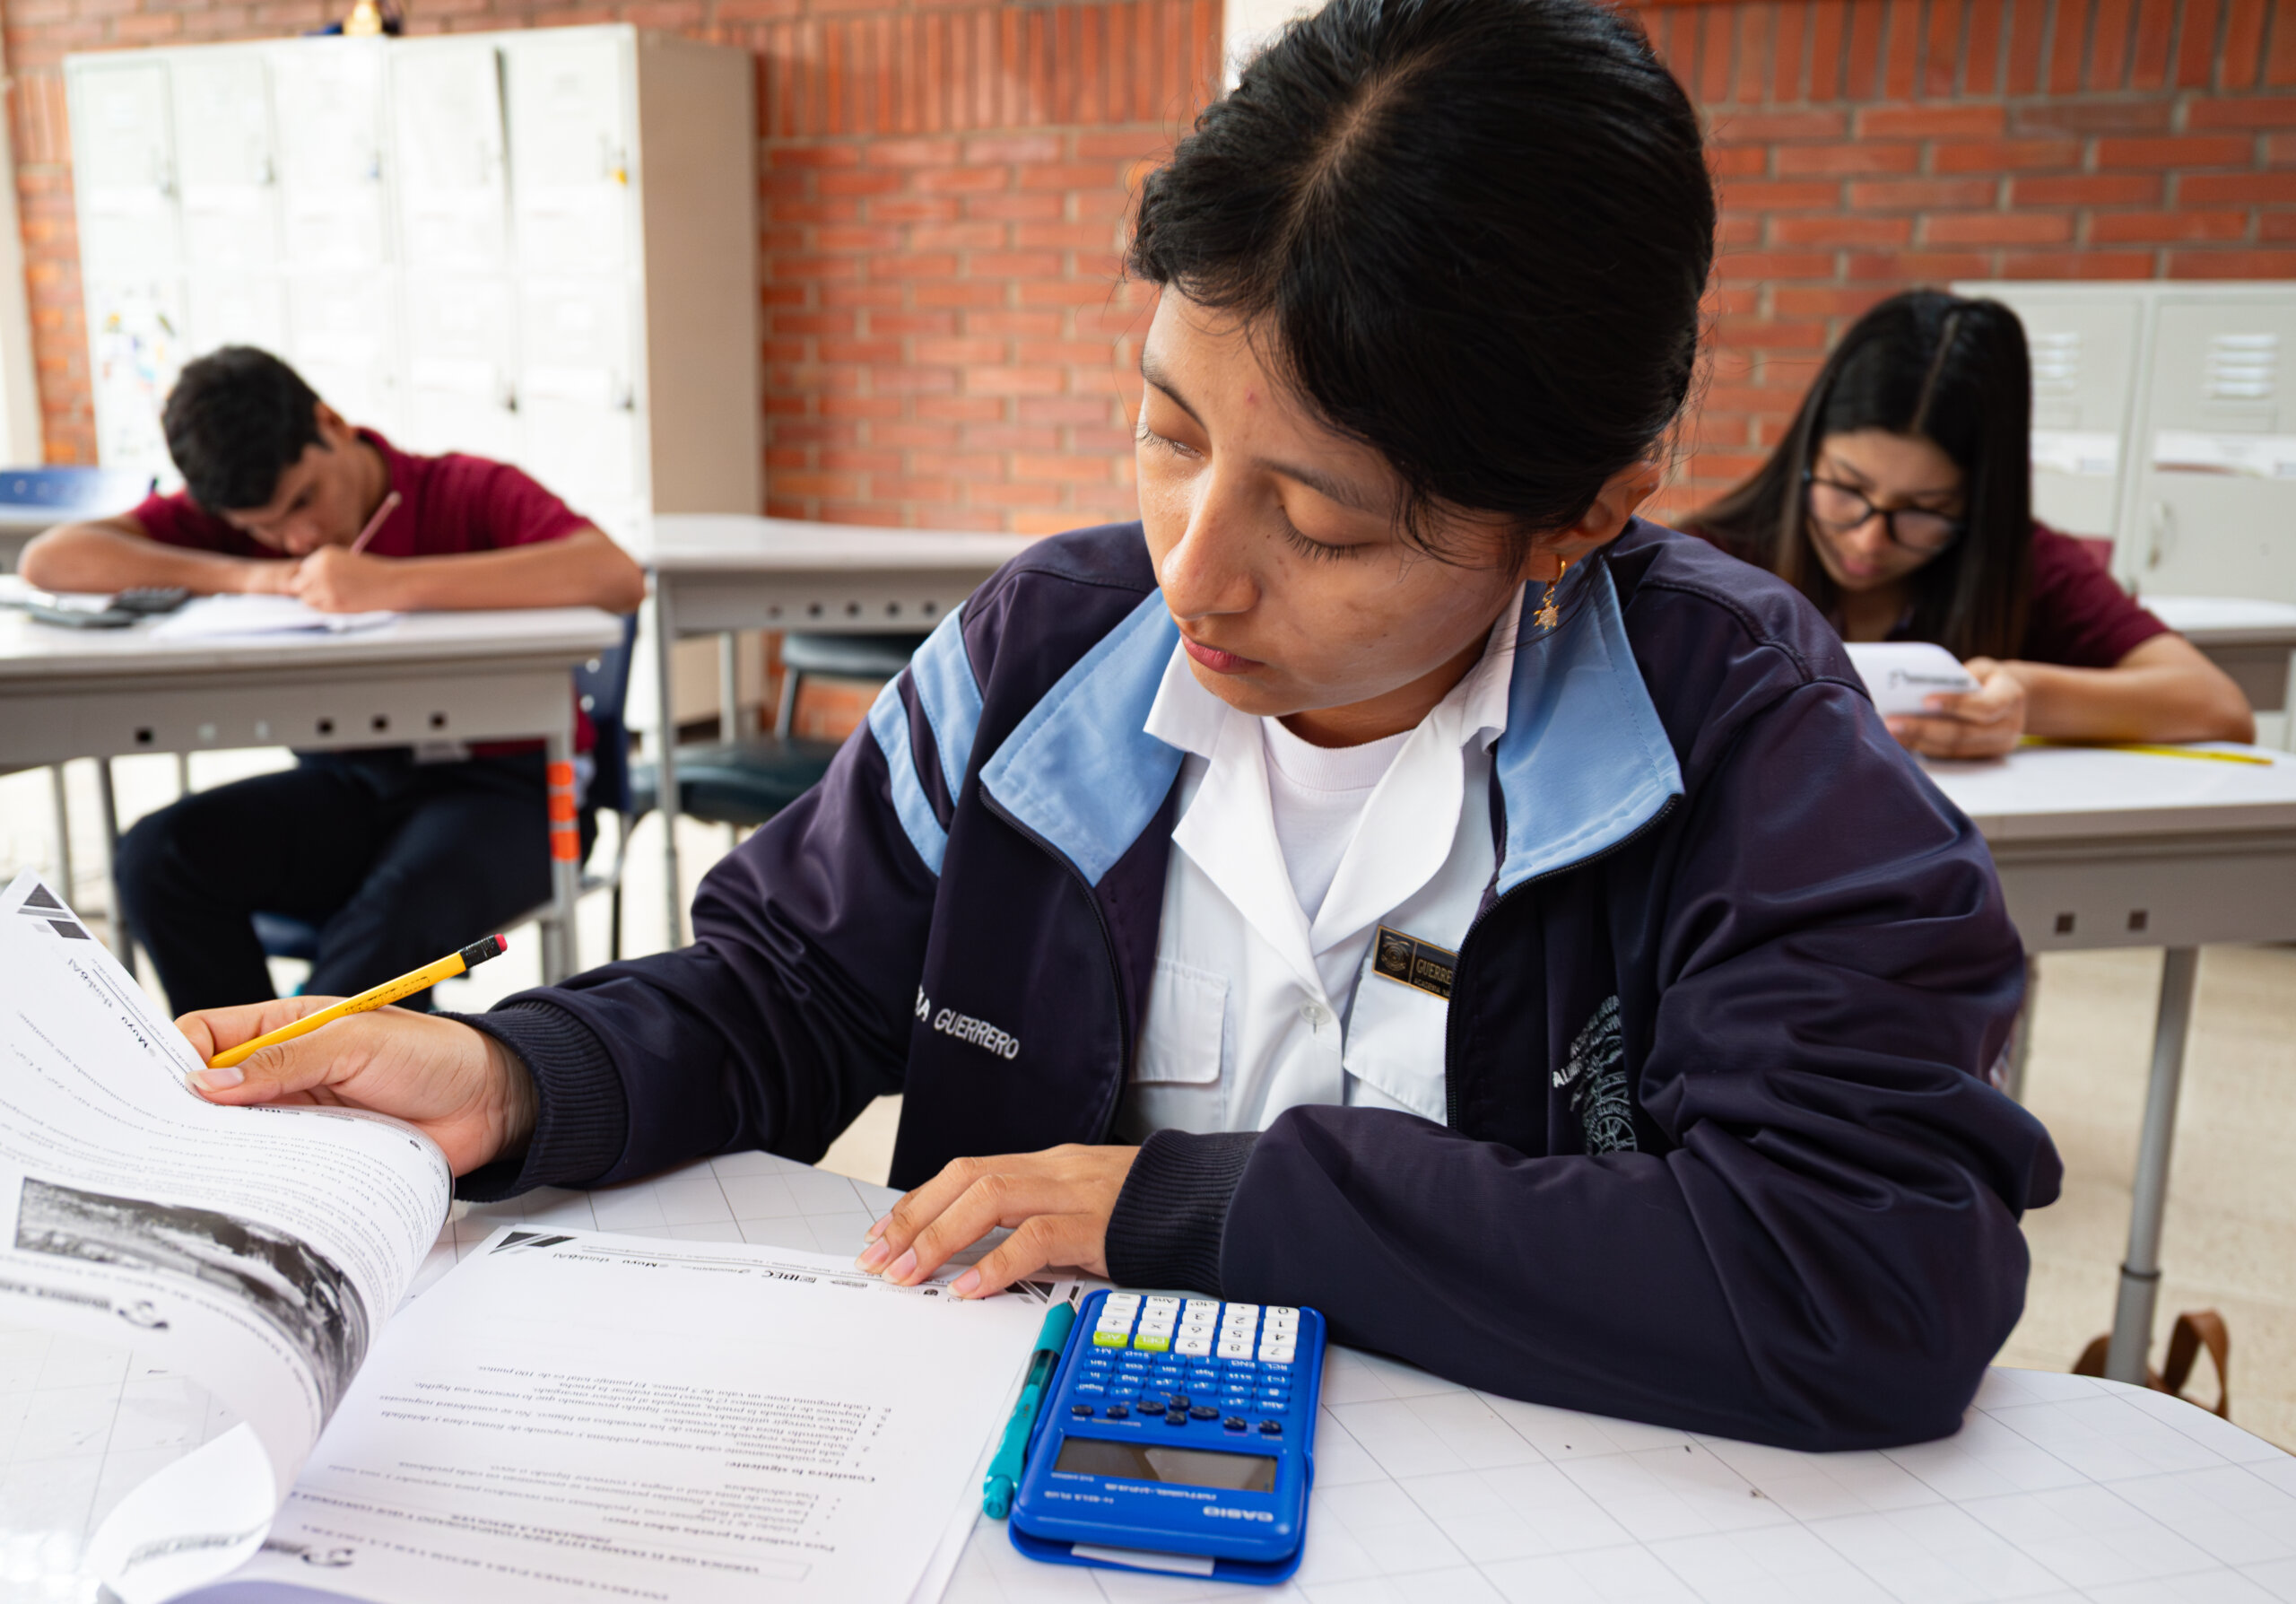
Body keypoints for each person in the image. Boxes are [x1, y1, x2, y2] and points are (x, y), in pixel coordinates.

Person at [177, 0, 2059, 1451]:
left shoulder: (1744, 740)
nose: (1196, 570)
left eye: (1322, 522)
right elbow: (787, 991)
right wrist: (513, 1075)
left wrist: (1197, 1209)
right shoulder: (1049, 649)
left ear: (1577, 514)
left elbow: (1861, 1271)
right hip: (1006, 1499)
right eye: (1168, 431)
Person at [22, 346, 647, 1011]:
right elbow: (50, 561)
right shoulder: (244, 512)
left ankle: (294, 1067)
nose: (298, 538)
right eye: (263, 529)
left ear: (331, 423)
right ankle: (250, 1063)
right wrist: (251, 575)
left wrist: (391, 584)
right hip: (357, 785)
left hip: (512, 794)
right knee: (157, 858)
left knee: (392, 919)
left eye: (305, 500)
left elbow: (615, 575)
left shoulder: (466, 488)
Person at [1686, 290, 2253, 759]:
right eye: (1847, 489)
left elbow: (2219, 707)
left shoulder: (2025, 566)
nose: (1868, 539)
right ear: (1806, 456)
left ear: (1979, 506)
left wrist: (2027, 695)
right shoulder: (1711, 558)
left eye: (1924, 509)